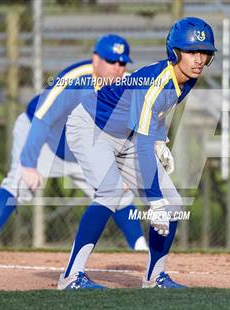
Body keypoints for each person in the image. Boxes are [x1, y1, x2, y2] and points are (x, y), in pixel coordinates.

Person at [58, 17, 217, 289]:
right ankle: (71, 277)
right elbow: (143, 138)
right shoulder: (157, 80)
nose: (199, 59)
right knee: (110, 192)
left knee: (174, 205)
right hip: (92, 128)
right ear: (175, 52)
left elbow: (154, 115)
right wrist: (153, 201)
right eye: (191, 52)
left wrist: (160, 141)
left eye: (204, 52)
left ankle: (155, 278)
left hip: (128, 136)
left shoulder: (187, 78)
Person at [0, 34, 148, 251]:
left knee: (118, 194)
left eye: (122, 62)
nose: (117, 67)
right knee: (18, 183)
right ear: (96, 60)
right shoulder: (75, 79)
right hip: (45, 139)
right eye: (111, 61)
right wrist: (28, 164)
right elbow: (42, 118)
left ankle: (141, 249)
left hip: (82, 151)